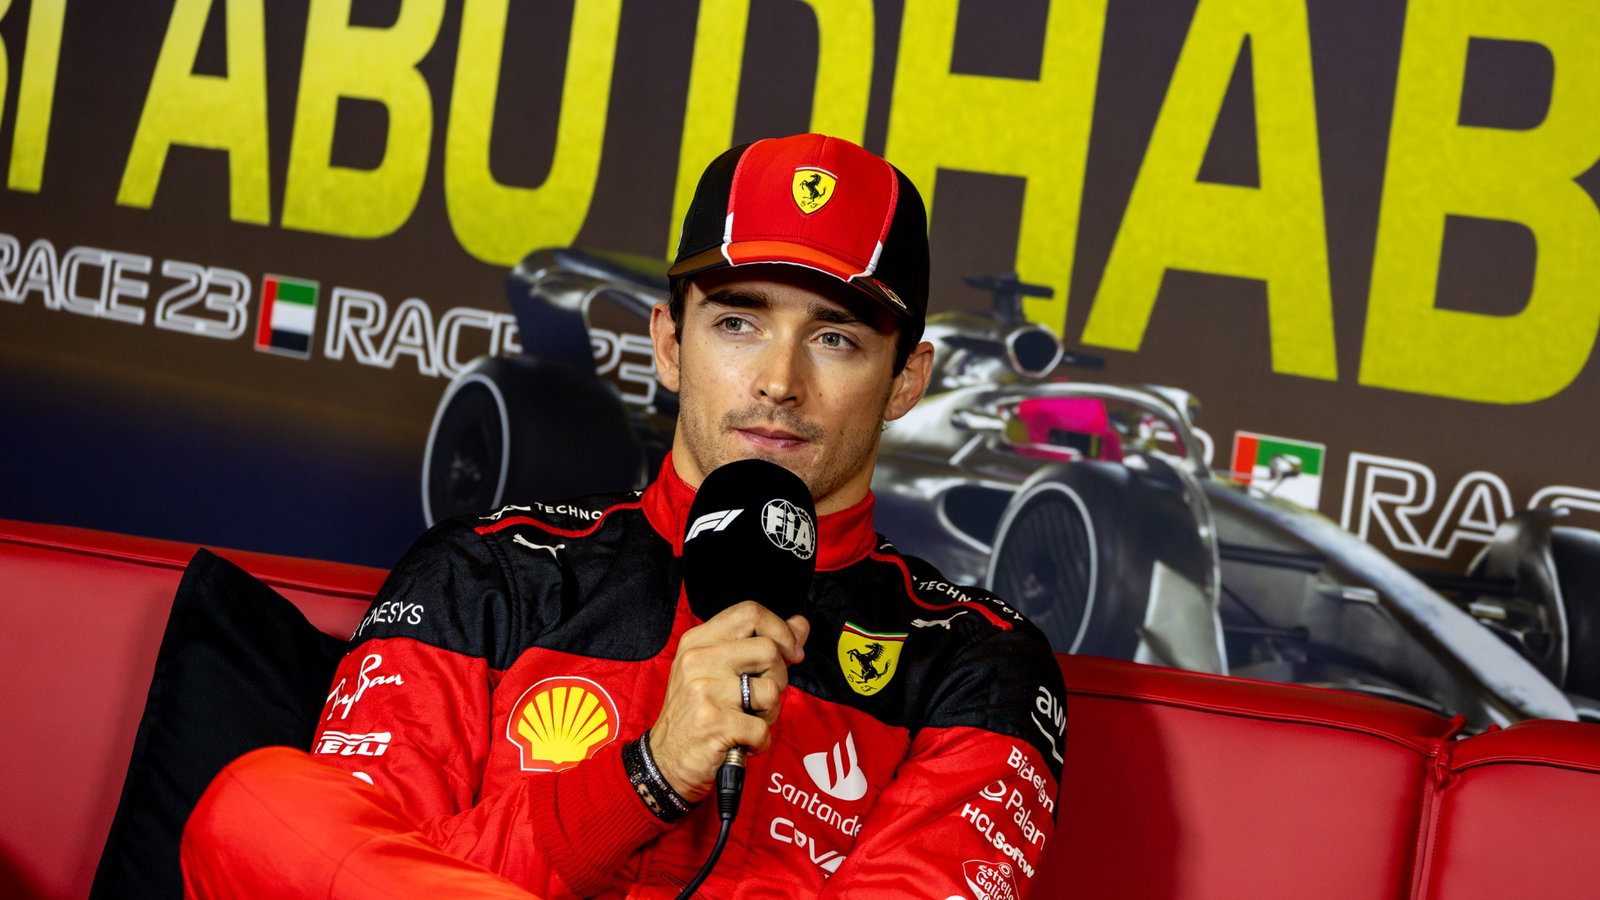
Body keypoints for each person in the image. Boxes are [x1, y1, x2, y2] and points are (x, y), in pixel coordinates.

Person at [182, 133, 1066, 898]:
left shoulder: (976, 662)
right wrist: (648, 775)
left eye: (835, 338)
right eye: (739, 324)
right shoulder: (489, 570)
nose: (779, 382)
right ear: (671, 345)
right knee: (256, 807)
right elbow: (340, 865)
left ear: (906, 381)